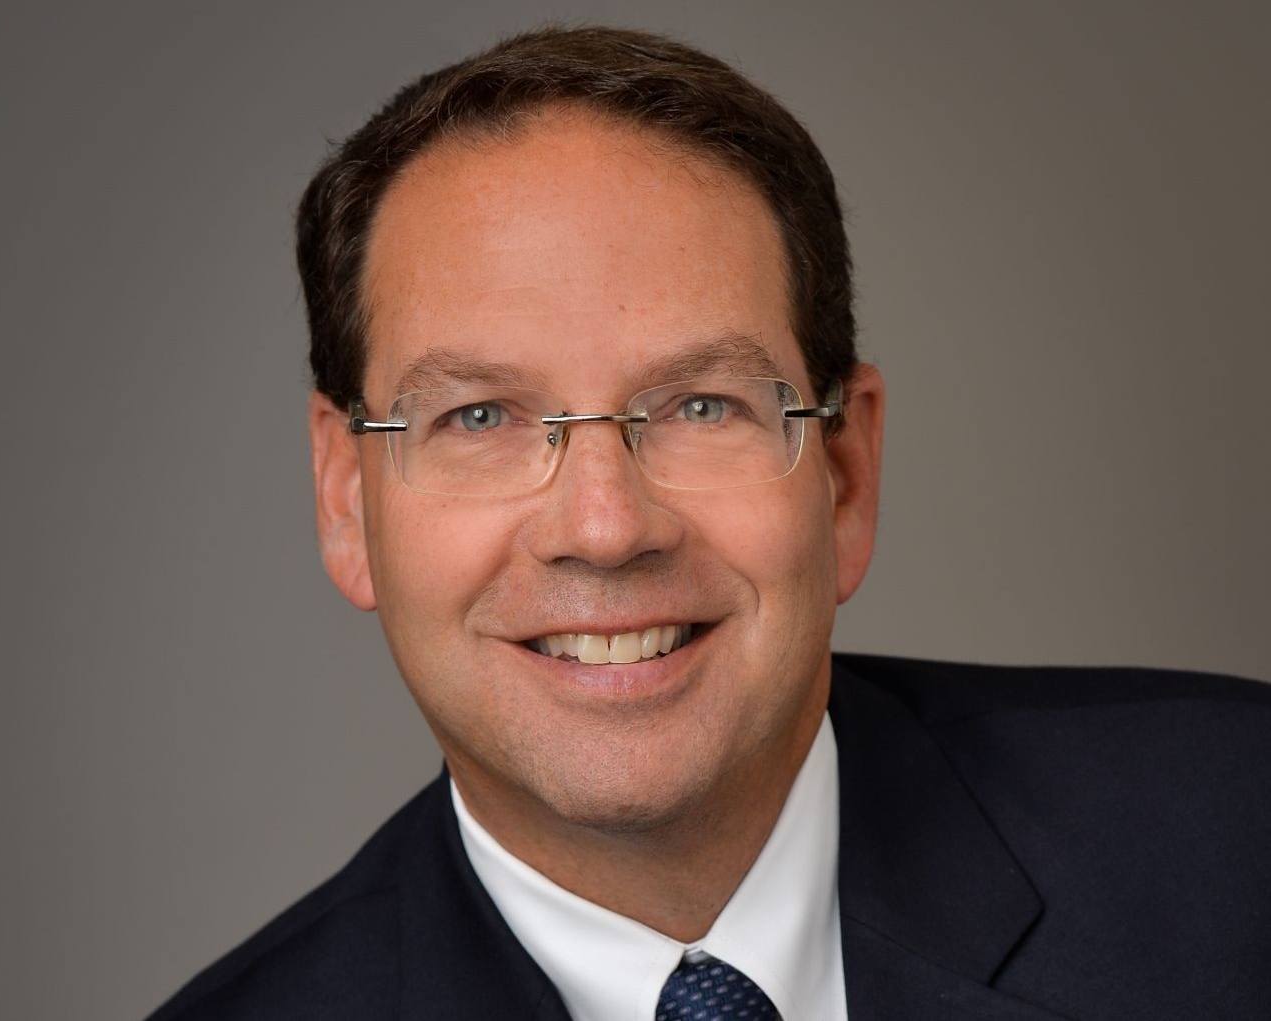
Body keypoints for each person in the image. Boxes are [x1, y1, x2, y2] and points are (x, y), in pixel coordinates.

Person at [149, 26, 1271, 1021]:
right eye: (480, 415)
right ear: (349, 499)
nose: (602, 525)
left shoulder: (1236, 847)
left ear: (845, 470)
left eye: (700, 404)